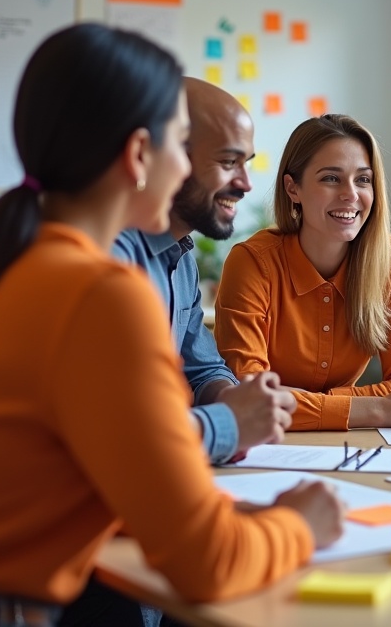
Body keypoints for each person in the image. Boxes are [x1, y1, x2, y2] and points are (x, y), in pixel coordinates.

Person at [0, 24, 344, 625]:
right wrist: (299, 525)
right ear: (137, 156)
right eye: (182, 146)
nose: (184, 166)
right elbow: (208, 565)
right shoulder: (101, 293)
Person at [214, 114, 391, 430]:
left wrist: (306, 404)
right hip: (265, 446)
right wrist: (379, 409)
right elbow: (249, 397)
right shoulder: (252, 262)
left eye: (363, 179)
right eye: (331, 178)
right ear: (293, 188)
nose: (351, 194)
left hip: (348, 446)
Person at [113, 78, 293, 466]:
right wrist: (230, 423)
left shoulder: (181, 261)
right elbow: (125, 432)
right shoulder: (112, 263)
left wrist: (235, 400)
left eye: (246, 162)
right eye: (229, 162)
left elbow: (202, 367)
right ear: (151, 156)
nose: (245, 183)